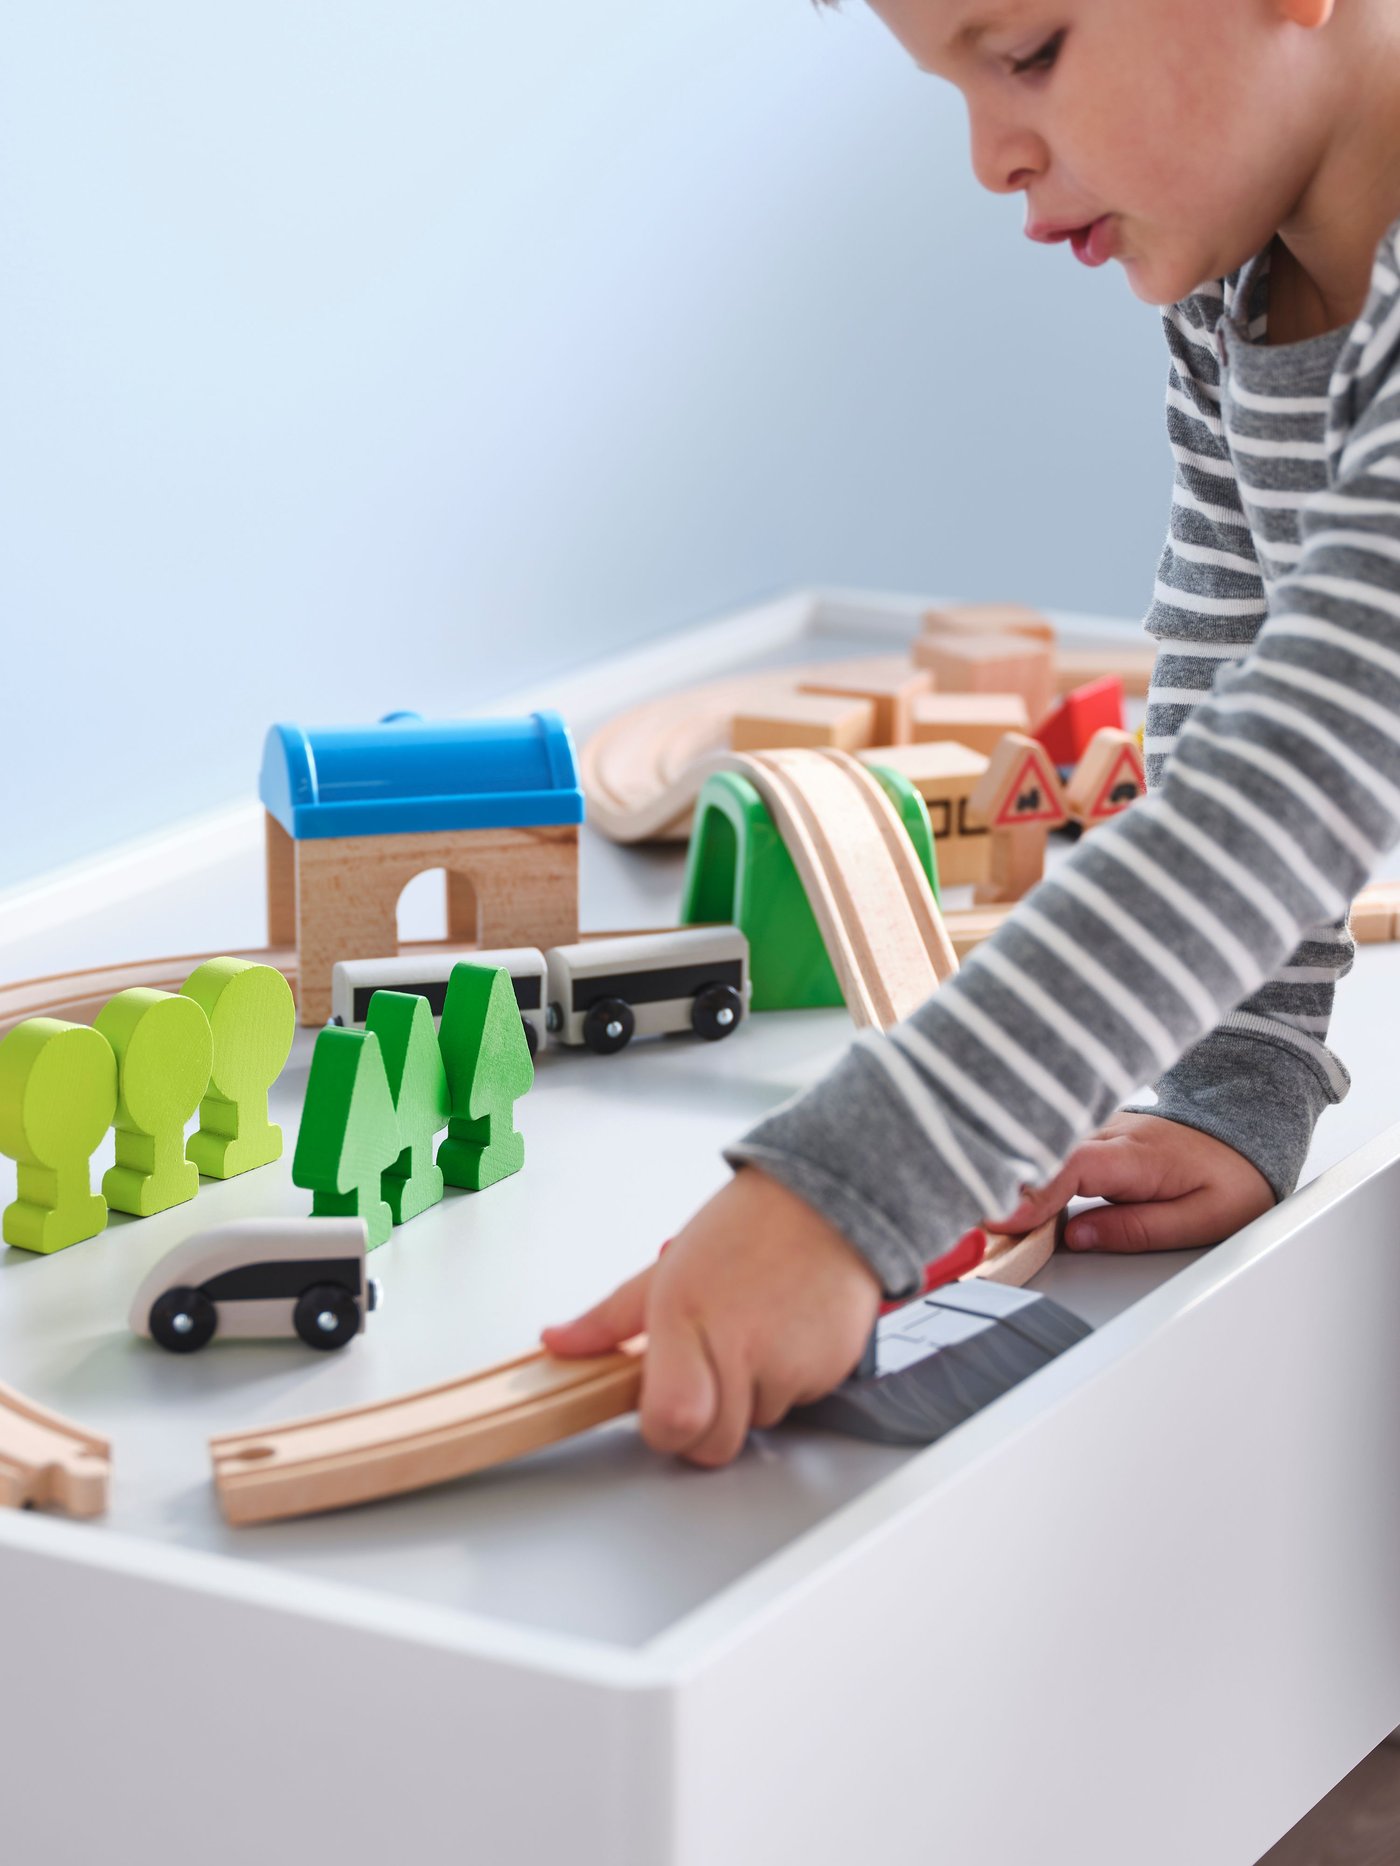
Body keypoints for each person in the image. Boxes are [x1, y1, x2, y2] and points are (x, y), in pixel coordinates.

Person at [544, 0, 1400, 1467]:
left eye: (1027, 55)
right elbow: (1228, 674)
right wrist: (1235, 1070)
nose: (993, 156)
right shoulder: (1235, 294)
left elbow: (1317, 750)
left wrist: (857, 1182)